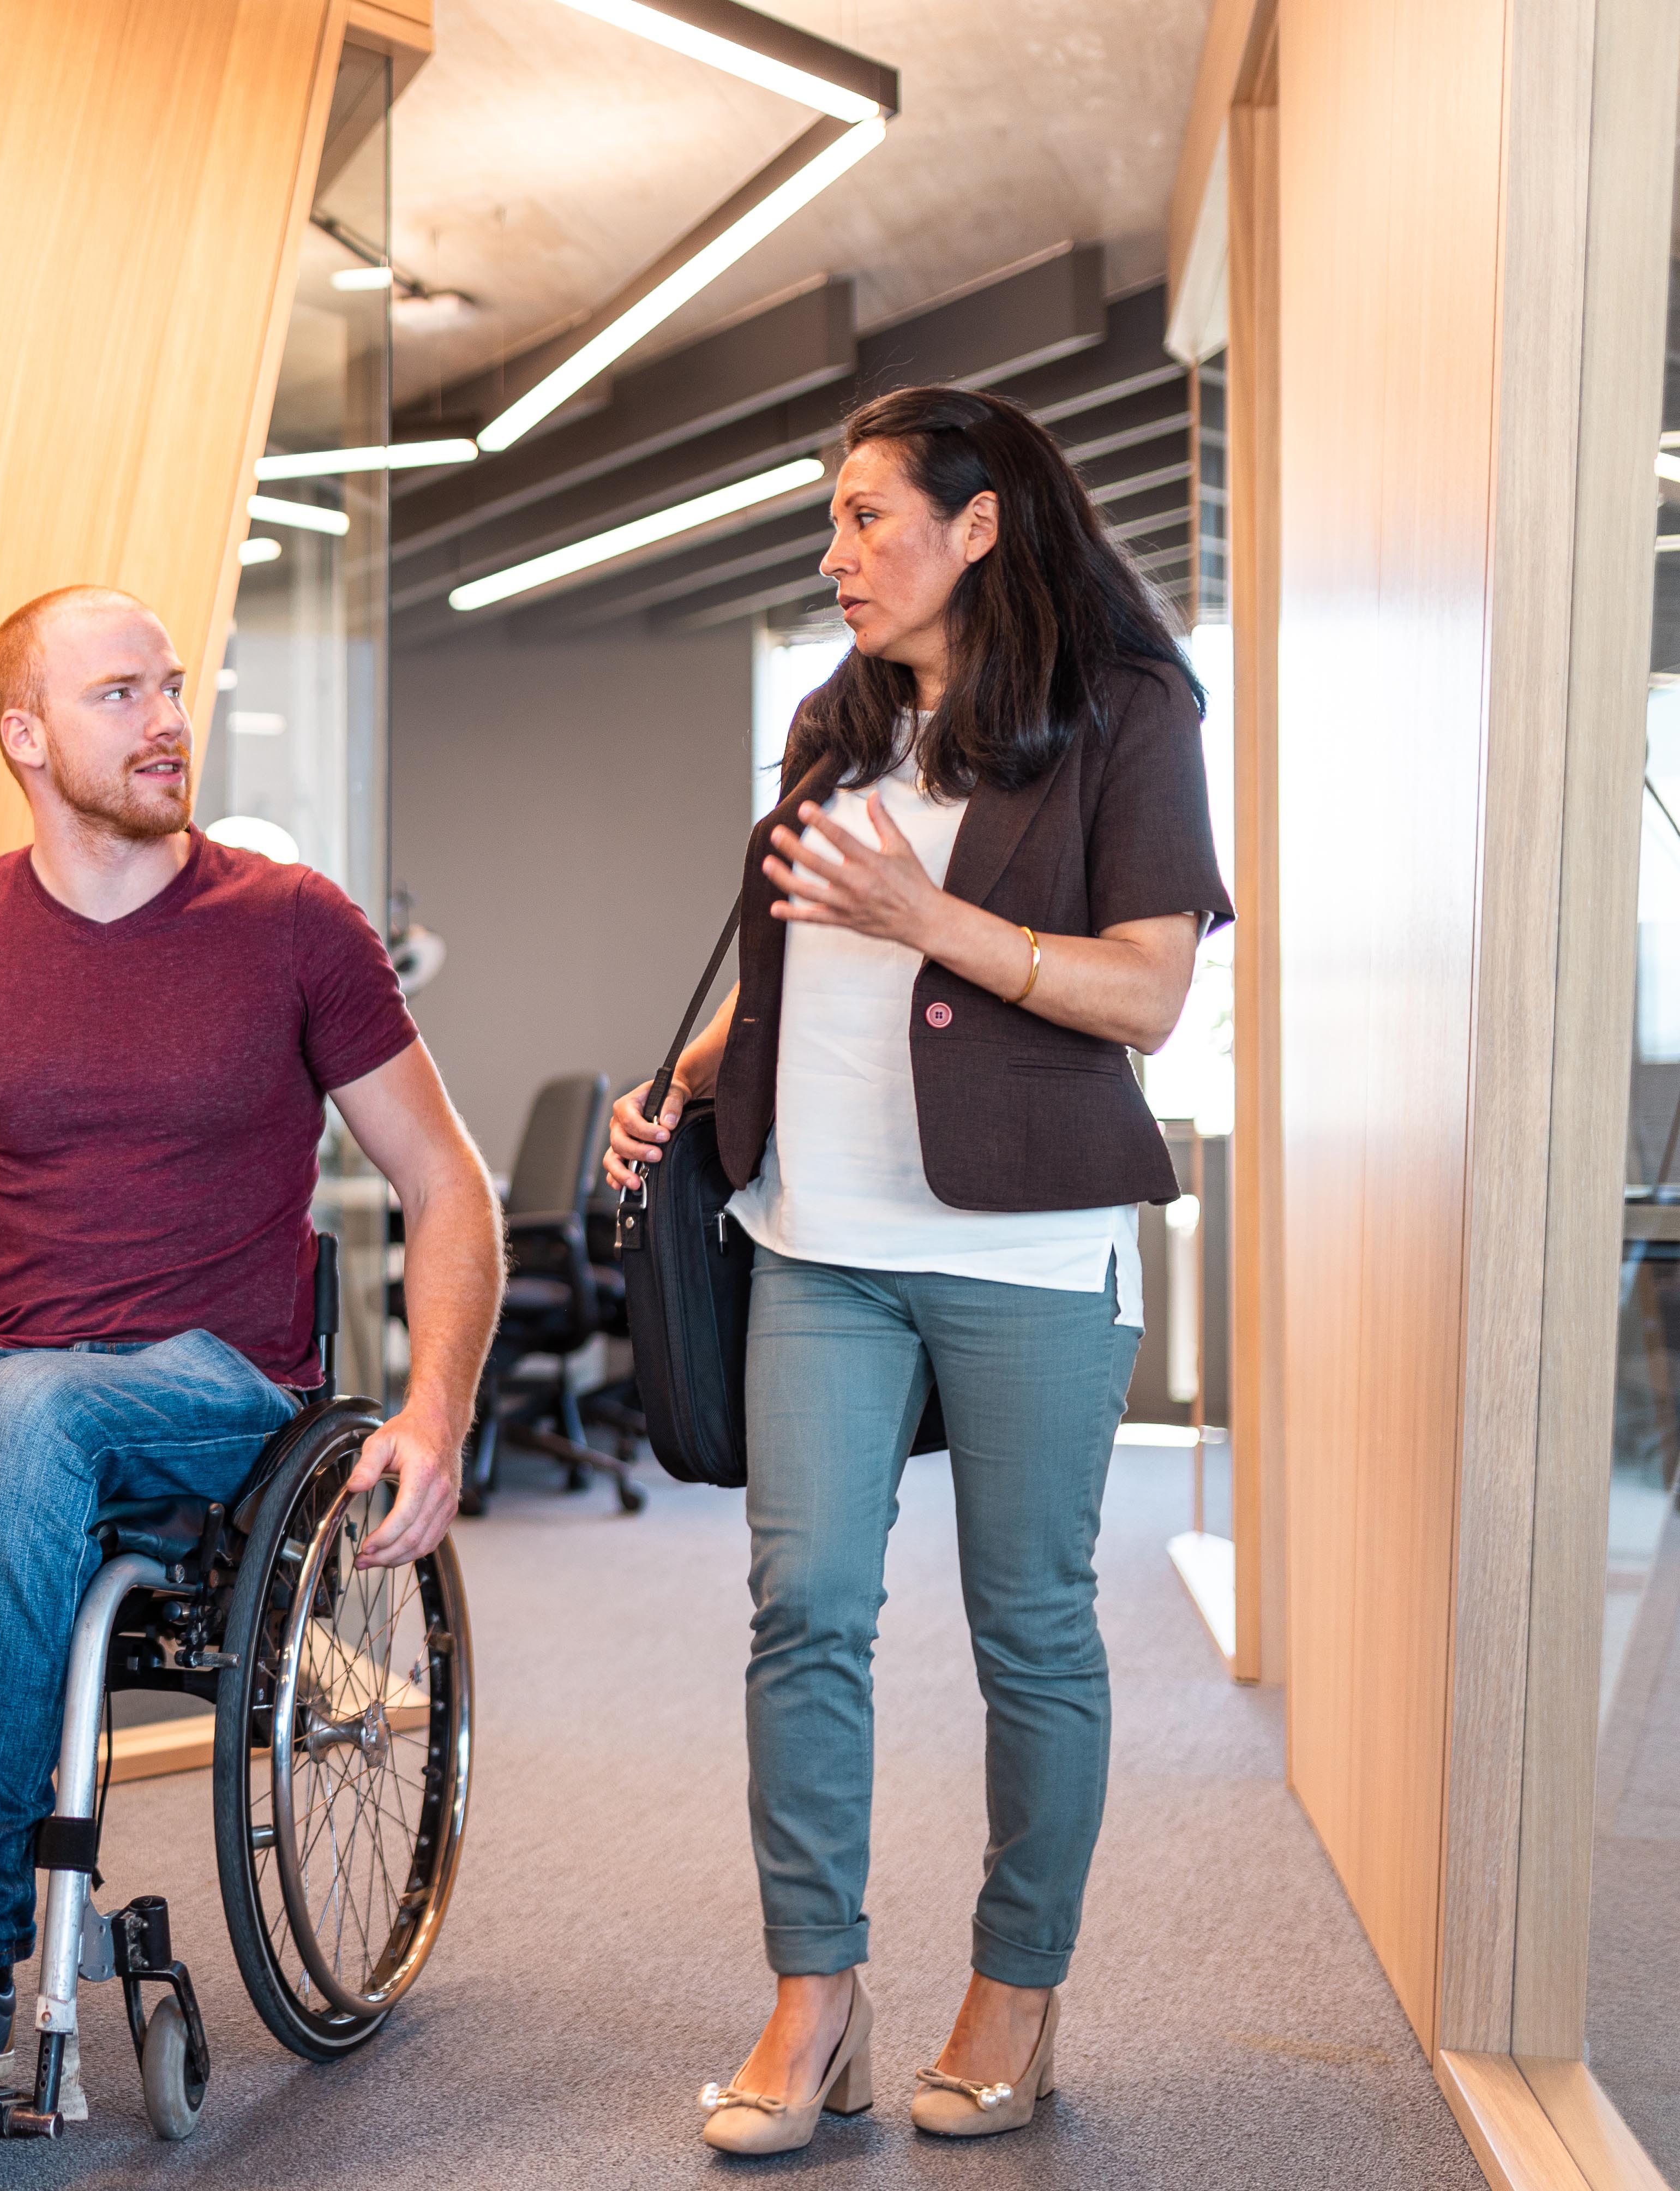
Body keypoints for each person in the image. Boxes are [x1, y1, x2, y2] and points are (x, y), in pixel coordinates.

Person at [0, 584, 502, 2100]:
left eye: (175, 689)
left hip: (221, 1396)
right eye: (122, 695)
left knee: (37, 1413)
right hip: (27, 1396)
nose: (171, 724)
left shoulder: (290, 926)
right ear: (24, 734)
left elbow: (448, 1186)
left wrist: (439, 1412)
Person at [605, 386, 1228, 2154]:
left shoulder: (1125, 712)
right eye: (835, 516)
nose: (837, 550)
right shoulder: (834, 719)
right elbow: (804, 971)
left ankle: (1014, 1992)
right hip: (821, 1241)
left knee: (1031, 1631)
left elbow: (1146, 995)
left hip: (1031, 1249)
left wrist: (937, 919)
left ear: (979, 527)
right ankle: (817, 2003)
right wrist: (687, 1083)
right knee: (805, 1612)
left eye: (869, 514)